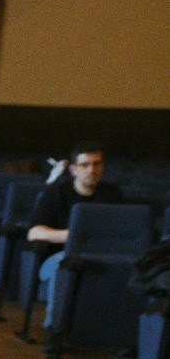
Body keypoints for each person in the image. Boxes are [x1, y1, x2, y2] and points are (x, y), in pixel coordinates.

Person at [27, 142, 123, 333]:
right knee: (65, 264)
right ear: (73, 169)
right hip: (59, 256)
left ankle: (114, 332)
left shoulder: (112, 194)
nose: (92, 170)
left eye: (97, 164)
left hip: (99, 254)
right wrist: (71, 236)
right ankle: (54, 330)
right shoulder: (56, 193)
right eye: (85, 164)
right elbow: (34, 232)